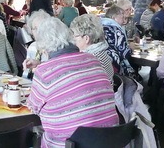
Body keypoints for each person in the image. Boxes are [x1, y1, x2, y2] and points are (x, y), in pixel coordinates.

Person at [27, 17, 118, 148]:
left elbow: (33, 108)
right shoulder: (93, 59)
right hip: (109, 140)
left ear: (43, 48)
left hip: (72, 144)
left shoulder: (44, 71)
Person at [70, 14, 115, 81]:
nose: (72, 39)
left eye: (75, 35)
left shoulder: (91, 60)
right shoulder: (100, 52)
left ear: (86, 39)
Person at [102, 6, 139, 81]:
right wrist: (131, 48)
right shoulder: (116, 30)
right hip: (114, 67)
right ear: (114, 17)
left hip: (101, 65)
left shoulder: (100, 26)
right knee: (133, 72)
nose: (124, 21)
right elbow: (125, 54)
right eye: (122, 18)